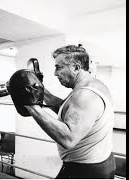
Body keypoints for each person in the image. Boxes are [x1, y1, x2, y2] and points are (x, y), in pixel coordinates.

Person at [21, 45, 116, 178]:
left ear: (76, 68)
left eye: (58, 67)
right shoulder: (88, 85)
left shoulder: (85, 96)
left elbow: (68, 139)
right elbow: (66, 110)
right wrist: (41, 91)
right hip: (93, 164)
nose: (55, 73)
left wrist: (30, 105)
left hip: (87, 171)